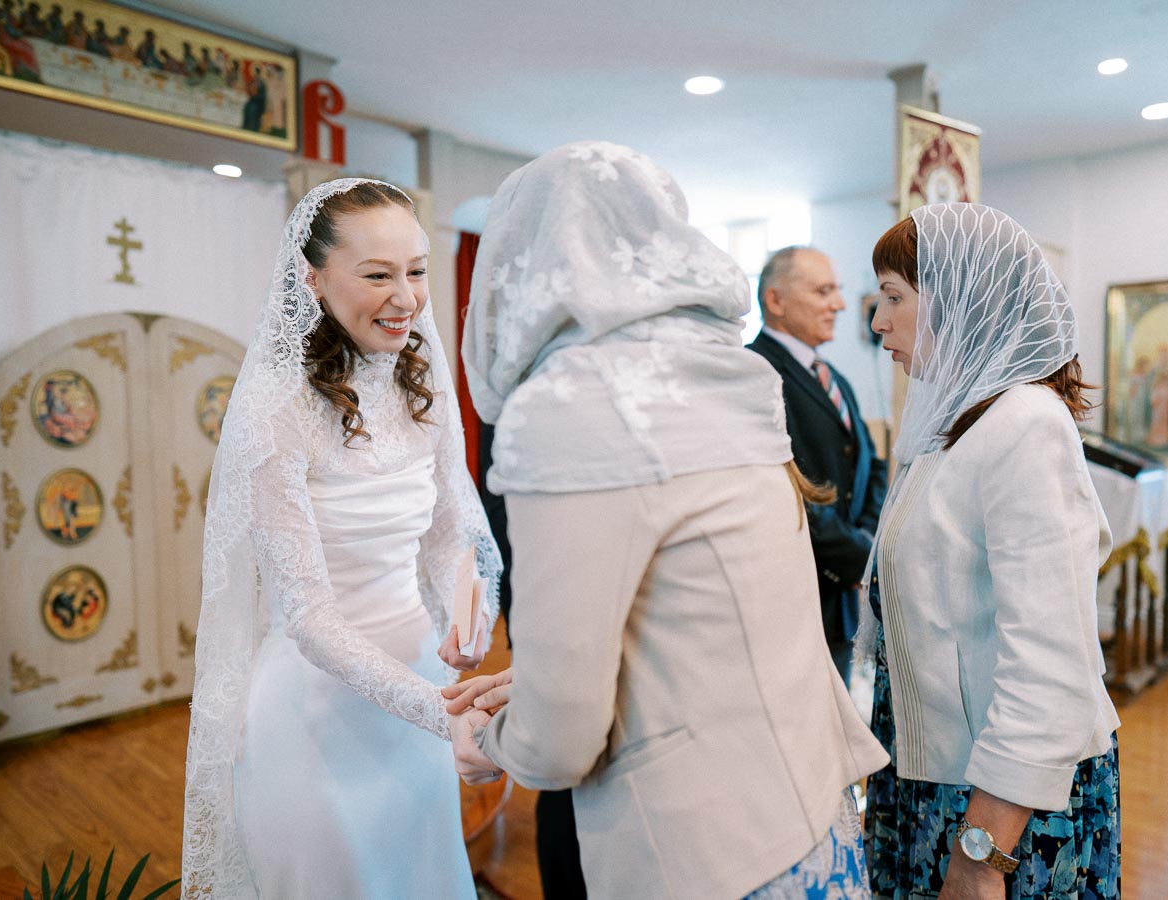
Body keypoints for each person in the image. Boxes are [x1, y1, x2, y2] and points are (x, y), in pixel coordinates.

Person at [447, 141, 888, 900]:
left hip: (703, 850)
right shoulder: (734, 372)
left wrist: (489, 739)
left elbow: (560, 745)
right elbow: (701, 621)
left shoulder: (565, 407)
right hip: (809, 815)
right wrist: (545, 678)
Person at [181, 178, 502, 899]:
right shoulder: (276, 411)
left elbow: (452, 527)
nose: (407, 297)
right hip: (317, 714)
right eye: (378, 274)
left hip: (420, 682)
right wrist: (441, 711)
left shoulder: (418, 376)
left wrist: (464, 617)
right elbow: (308, 617)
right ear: (314, 277)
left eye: (416, 270)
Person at [866, 203, 1121, 899]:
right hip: (937, 780)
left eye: (894, 298)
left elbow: (1050, 664)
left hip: (1002, 803)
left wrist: (981, 857)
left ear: (957, 301)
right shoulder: (953, 429)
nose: (877, 322)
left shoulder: (1025, 426)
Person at [748, 246, 888, 683]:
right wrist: (859, 557)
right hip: (793, 591)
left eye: (838, 291)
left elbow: (872, 464)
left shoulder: (832, 376)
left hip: (840, 600)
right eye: (824, 291)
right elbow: (781, 485)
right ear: (775, 300)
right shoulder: (754, 372)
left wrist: (868, 534)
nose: (841, 305)